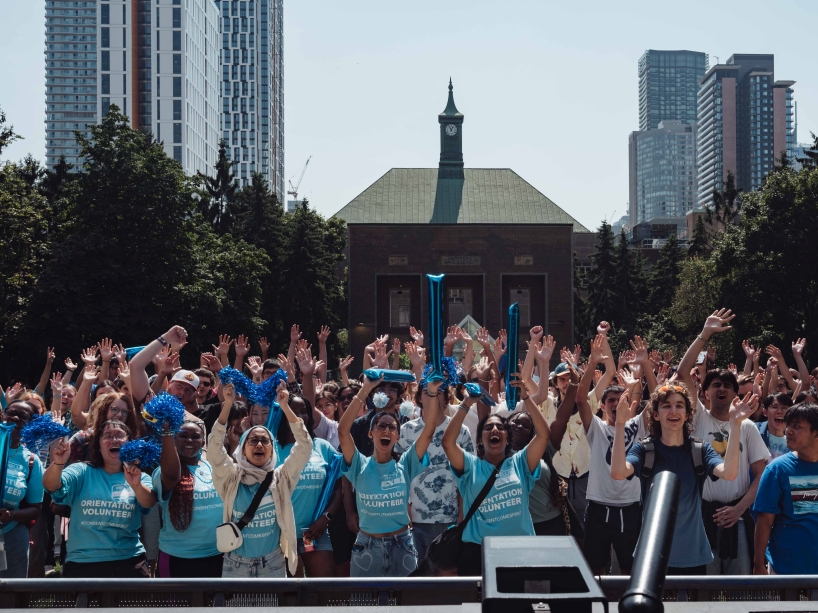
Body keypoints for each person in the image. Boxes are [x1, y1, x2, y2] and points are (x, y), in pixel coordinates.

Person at [611, 382, 756, 575]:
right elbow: (618, 472)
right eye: (666, 405)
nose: (673, 410)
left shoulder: (700, 449)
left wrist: (735, 424)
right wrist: (620, 425)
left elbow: (729, 473)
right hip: (652, 554)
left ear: (687, 415)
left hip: (693, 555)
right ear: (655, 414)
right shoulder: (645, 449)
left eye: (679, 405)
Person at [677, 311, 771, 575]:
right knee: (703, 588)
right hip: (701, 516)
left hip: (738, 518)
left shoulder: (748, 426)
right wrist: (704, 333)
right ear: (704, 392)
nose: (722, 389)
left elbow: (760, 475)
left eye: (728, 386)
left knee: (738, 589)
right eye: (716, 384)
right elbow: (683, 372)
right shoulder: (696, 419)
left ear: (734, 392)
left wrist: (739, 509)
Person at [442, 374, 551, 576]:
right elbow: (448, 443)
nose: (495, 430)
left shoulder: (520, 462)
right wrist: (466, 404)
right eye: (488, 427)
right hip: (477, 553)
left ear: (507, 438)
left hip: (520, 551)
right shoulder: (470, 465)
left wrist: (526, 397)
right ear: (480, 439)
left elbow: (543, 435)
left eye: (501, 427)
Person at [338, 374, 439, 577]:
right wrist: (365, 389)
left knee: (404, 607)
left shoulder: (406, 464)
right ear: (370, 433)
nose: (386, 430)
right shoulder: (359, 465)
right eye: (381, 426)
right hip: (366, 547)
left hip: (402, 546)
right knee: (363, 607)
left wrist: (433, 393)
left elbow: (429, 430)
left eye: (392, 427)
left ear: (398, 436)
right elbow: (342, 430)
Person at [209, 382, 311, 578]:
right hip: (235, 564)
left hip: (272, 563)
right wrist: (228, 404)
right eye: (253, 440)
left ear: (272, 450)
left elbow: (304, 446)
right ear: (243, 447)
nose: (259, 445)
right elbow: (214, 449)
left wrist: (285, 407)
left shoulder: (281, 478)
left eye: (265, 441)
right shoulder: (230, 477)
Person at [43, 419, 156, 578]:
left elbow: (149, 502)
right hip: (83, 562)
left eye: (119, 435)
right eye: (107, 436)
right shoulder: (81, 471)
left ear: (129, 443)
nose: (114, 439)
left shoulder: (140, 476)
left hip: (129, 561)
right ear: (98, 445)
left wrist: (136, 485)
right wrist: (58, 464)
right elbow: (51, 486)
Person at [576, 335, 649, 575]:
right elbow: (580, 400)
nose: (616, 404)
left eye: (621, 399)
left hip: (630, 509)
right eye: (611, 400)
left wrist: (645, 368)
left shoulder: (637, 426)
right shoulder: (596, 427)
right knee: (596, 568)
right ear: (602, 405)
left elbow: (658, 402)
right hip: (598, 508)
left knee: (631, 570)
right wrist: (592, 362)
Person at [394, 383, 474, 567]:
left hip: (450, 520)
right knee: (415, 579)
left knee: (446, 577)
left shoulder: (461, 431)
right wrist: (403, 510)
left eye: (438, 392)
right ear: (419, 398)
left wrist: (461, 515)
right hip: (414, 520)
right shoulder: (406, 430)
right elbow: (399, 474)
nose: (433, 396)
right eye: (427, 392)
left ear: (446, 397)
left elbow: (467, 478)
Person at [275, 393, 341, 577]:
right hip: (280, 535)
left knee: (324, 591)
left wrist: (325, 518)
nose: (299, 416)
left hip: (315, 533)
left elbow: (337, 488)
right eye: (293, 411)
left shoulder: (322, 446)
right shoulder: (271, 448)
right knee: (290, 596)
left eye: (303, 411)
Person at [753, 402, 818, 575]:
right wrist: (758, 564)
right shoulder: (777, 469)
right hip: (787, 572)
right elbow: (765, 520)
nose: (788, 430)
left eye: (796, 426)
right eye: (788, 425)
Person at [153, 420, 224, 577]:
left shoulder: (213, 468)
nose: (189, 440)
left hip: (217, 556)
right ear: (174, 439)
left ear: (203, 442)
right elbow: (172, 475)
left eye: (195, 436)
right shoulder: (163, 472)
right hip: (178, 559)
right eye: (183, 436)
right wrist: (166, 433)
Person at [0, 401, 43, 578]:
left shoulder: (31, 461)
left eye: (23, 417)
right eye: (11, 412)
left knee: (9, 596)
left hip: (11, 535)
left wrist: (11, 515)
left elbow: (35, 509)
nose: (15, 418)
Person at [758, 394, 793, 460]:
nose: (780, 411)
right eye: (774, 407)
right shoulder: (754, 431)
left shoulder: (794, 441)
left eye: (784, 408)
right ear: (765, 412)